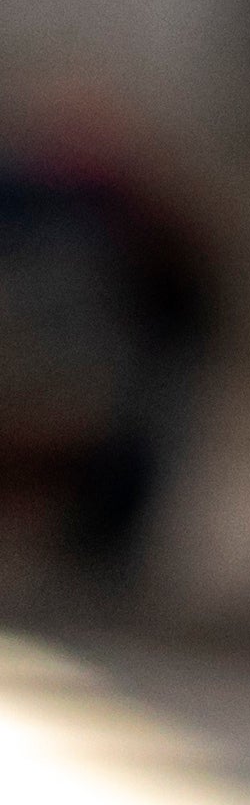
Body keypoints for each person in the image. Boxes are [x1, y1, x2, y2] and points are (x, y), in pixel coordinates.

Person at [0, 91, 236, 601]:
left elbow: (191, 324)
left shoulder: (140, 231)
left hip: (97, 385)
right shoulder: (35, 209)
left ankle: (94, 546)